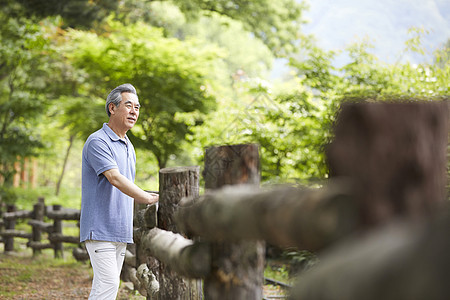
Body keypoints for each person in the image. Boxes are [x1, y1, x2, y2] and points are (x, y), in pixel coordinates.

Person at [80, 83, 158, 299]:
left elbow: (125, 182)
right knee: (109, 283)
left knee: (106, 287)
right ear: (112, 108)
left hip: (119, 228)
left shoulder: (128, 145)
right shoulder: (98, 141)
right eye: (129, 105)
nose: (134, 111)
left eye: (138, 107)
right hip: (99, 227)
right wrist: (147, 197)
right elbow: (114, 178)